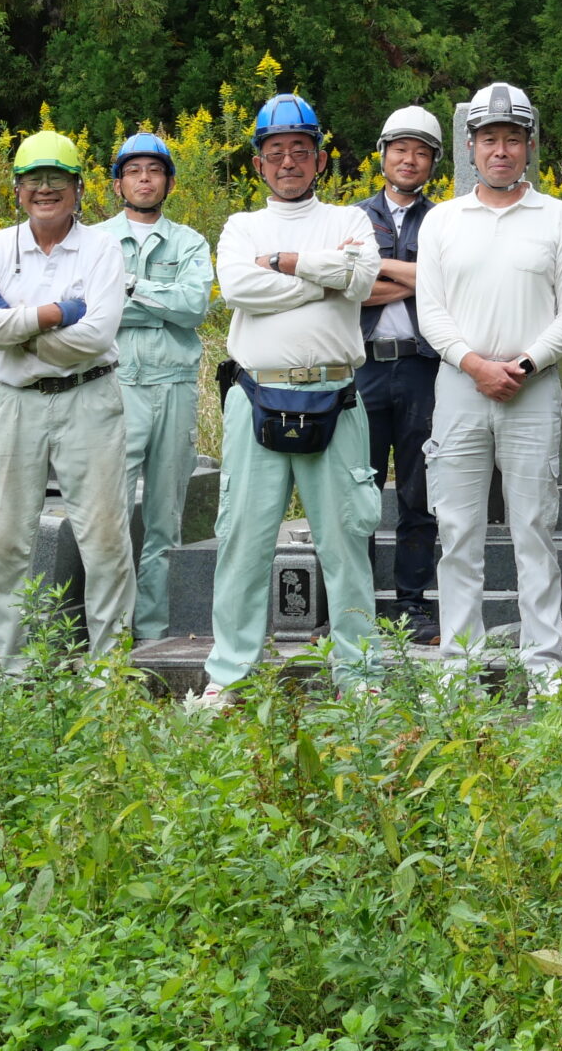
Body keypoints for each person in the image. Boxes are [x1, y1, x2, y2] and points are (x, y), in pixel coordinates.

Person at [193, 93, 383, 708]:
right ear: (259, 165)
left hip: (336, 391)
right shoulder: (242, 227)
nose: (289, 163)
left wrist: (288, 265)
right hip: (257, 393)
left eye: (301, 152)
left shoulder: (349, 220)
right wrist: (320, 282)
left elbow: (361, 278)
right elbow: (239, 287)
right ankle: (229, 674)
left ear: (321, 159)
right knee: (244, 537)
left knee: (346, 540)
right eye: (276, 154)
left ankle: (360, 678)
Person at [419, 83, 562, 692]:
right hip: (461, 389)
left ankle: (544, 667)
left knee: (534, 530)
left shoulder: (557, 218)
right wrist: (475, 364)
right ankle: (458, 672)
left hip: (531, 389)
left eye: (512, 139)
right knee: (458, 532)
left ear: (528, 146)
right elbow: (431, 312)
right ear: (471, 146)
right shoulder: (443, 221)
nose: (501, 151)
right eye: (489, 139)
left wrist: (522, 363)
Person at [0, 130, 130, 679]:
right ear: (17, 189)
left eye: (58, 178)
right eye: (34, 179)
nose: (46, 189)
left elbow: (98, 333)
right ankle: (3, 672)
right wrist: (54, 314)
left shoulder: (103, 246)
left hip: (90, 398)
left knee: (104, 539)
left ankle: (110, 674)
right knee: (7, 537)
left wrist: (16, 324)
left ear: (79, 188)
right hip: (18, 403)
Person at [94, 131, 214, 645]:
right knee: (109, 510)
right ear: (118, 182)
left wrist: (131, 287)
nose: (145, 180)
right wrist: (157, 303)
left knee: (166, 515)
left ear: (168, 180)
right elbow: (94, 313)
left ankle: (154, 629)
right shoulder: (94, 240)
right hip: (115, 382)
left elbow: (195, 308)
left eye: (155, 170)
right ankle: (111, 627)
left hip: (176, 385)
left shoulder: (189, 241)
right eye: (134, 171)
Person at [356, 105, 445, 644]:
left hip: (422, 367)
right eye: (400, 150)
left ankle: (413, 606)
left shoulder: (445, 219)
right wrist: (418, 277)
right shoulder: (351, 218)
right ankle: (358, 606)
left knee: (420, 492)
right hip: (363, 366)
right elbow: (349, 286)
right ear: (383, 154)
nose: (409, 160)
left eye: (420, 153)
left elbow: (451, 282)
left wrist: (379, 268)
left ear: (432, 163)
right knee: (356, 488)